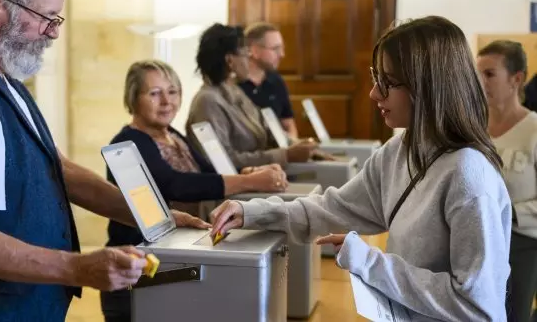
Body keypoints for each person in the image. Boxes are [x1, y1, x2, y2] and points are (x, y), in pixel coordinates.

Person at [0, 0, 208, 321]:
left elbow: (57, 168)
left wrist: (153, 217)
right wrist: (77, 268)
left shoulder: (4, 78)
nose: (54, 33)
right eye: (46, 18)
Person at [210, 16, 513, 321]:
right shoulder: (400, 149)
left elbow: (477, 308)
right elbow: (331, 208)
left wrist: (369, 262)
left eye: (388, 83)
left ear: (429, 85)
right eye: (375, 78)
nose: (374, 94)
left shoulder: (469, 175)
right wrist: (251, 212)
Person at [100, 59, 289, 322]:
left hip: (173, 266)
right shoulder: (128, 141)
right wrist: (251, 182)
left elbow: (206, 174)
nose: (166, 101)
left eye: (173, 91)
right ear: (133, 98)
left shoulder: (173, 134)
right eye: (154, 93)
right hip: (135, 275)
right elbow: (176, 184)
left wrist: (247, 173)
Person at [185, 23, 333, 170]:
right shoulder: (207, 101)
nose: (248, 60)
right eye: (245, 54)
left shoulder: (235, 92)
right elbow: (222, 161)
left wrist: (304, 148)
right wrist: (285, 155)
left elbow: (267, 128)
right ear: (230, 61)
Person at [477, 40, 537, 322]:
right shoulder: (472, 128)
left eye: (489, 74)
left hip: (521, 246)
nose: (481, 81)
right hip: (475, 240)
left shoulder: (534, 130)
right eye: (477, 74)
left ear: (516, 79)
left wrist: (508, 213)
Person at [238, 22, 298, 140]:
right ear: (253, 51)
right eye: (275, 49)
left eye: (282, 48)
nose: (282, 54)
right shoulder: (232, 85)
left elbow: (288, 124)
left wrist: (293, 148)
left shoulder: (276, 81)